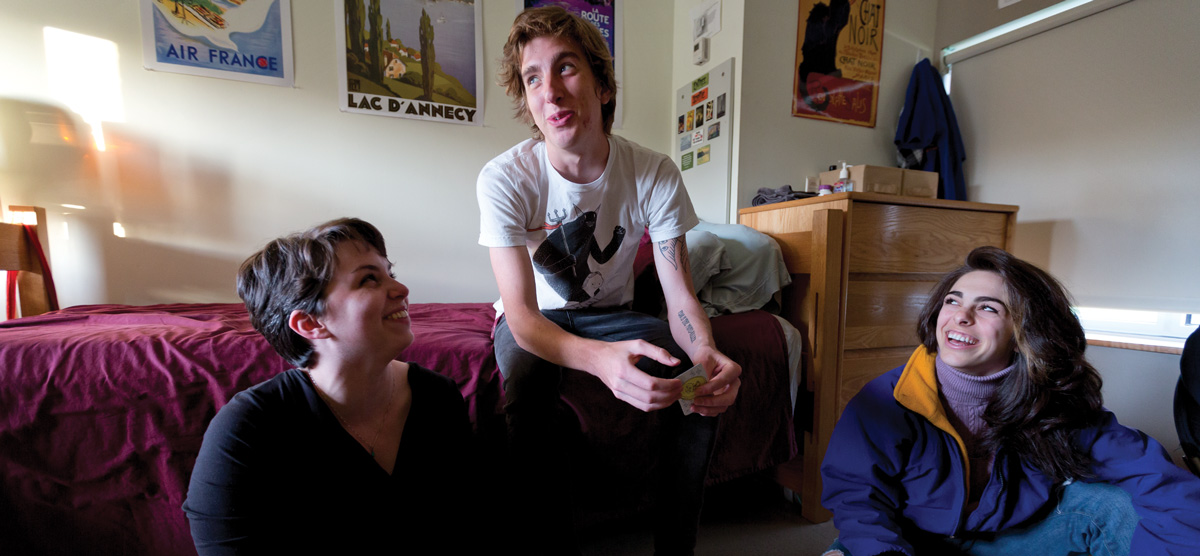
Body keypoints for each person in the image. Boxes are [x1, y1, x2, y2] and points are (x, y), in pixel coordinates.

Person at [476, 6, 742, 554]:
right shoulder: (504, 178)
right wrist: (601, 362)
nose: (549, 90)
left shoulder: (654, 172)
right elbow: (521, 317)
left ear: (601, 83)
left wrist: (707, 353)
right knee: (525, 387)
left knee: (698, 384)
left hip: (610, 313)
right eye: (533, 78)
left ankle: (676, 548)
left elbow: (680, 297)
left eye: (566, 68)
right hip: (538, 318)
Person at [821, 246, 1200, 556]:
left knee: (1113, 506)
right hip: (907, 540)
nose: (961, 317)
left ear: (1025, 331)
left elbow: (1156, 477)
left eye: (988, 307)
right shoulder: (884, 400)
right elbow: (857, 498)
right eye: (953, 301)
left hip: (1007, 539)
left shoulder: (1052, 400)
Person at [183, 218, 473, 554]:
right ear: (309, 322)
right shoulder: (247, 428)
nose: (401, 289)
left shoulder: (437, 396)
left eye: (390, 273)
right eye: (369, 280)